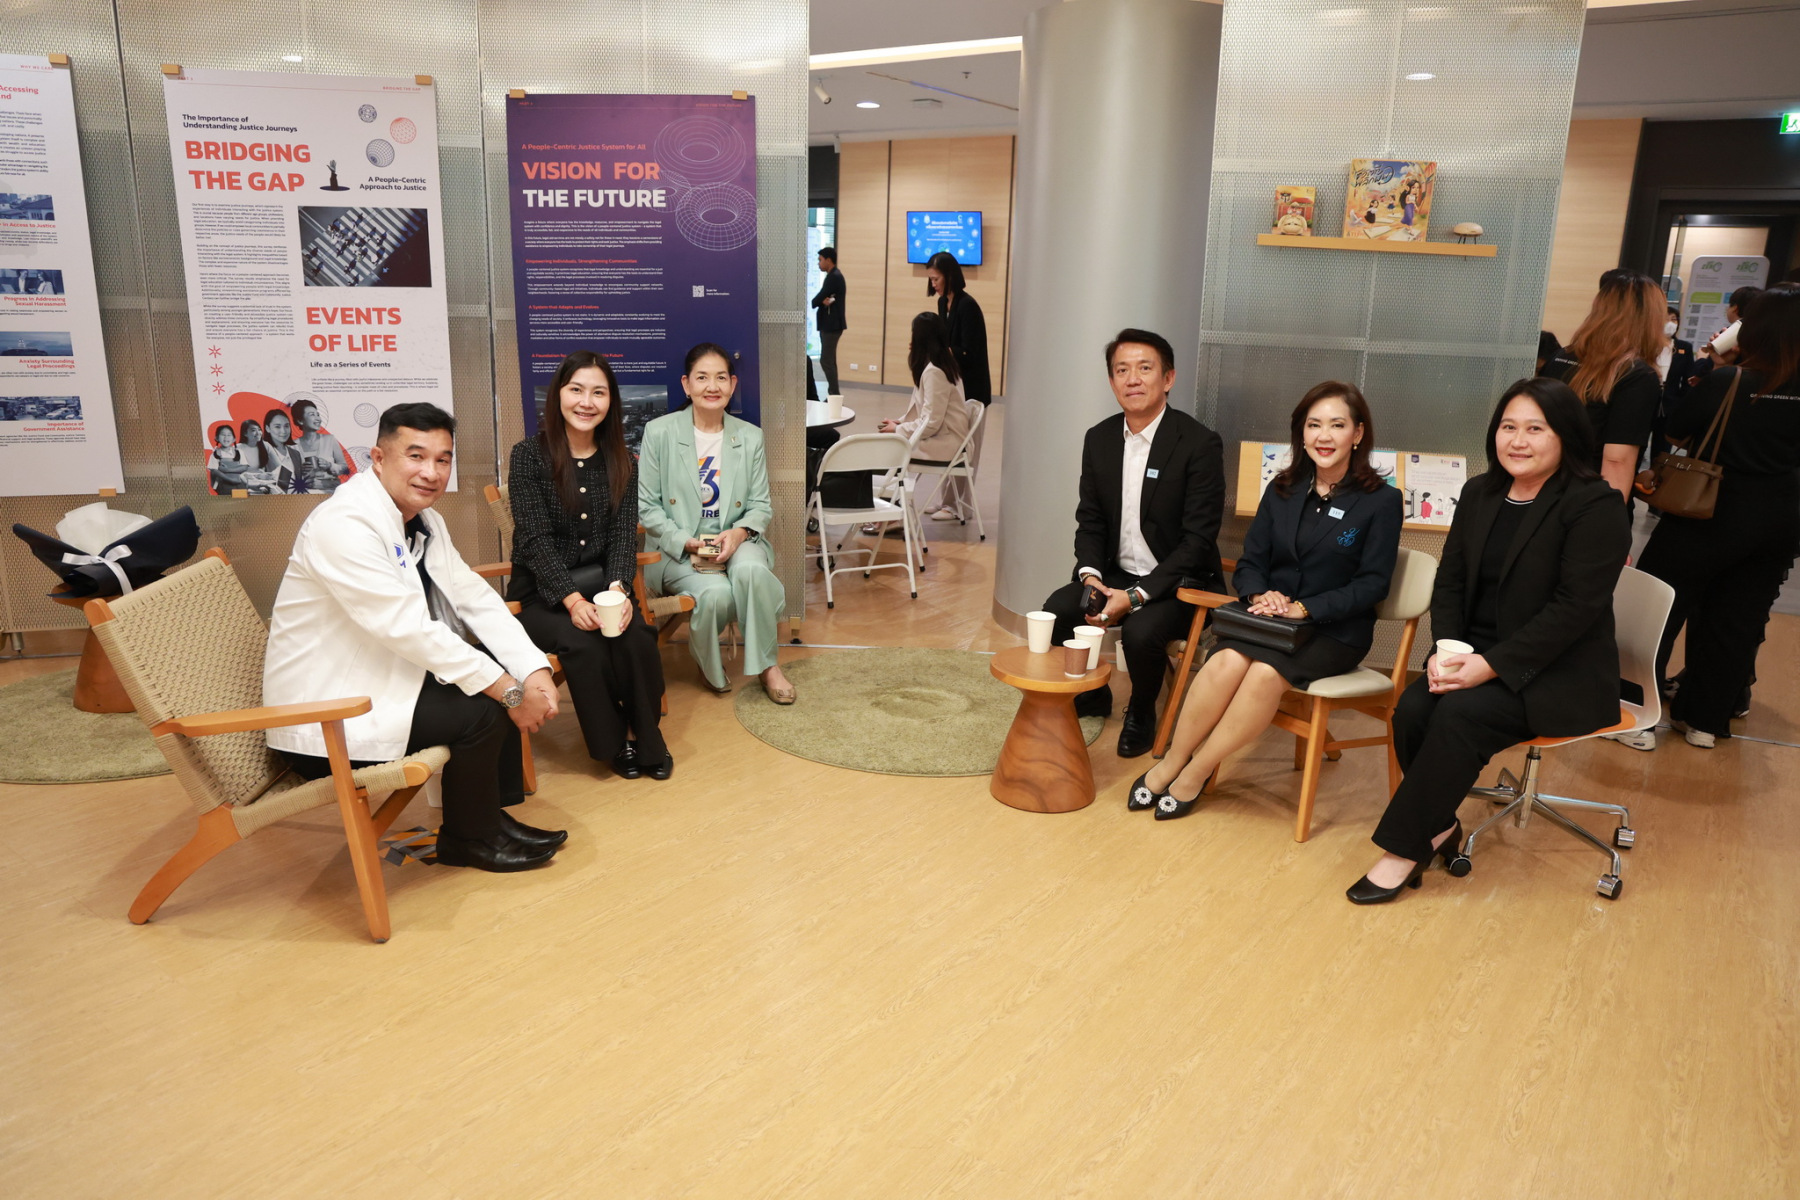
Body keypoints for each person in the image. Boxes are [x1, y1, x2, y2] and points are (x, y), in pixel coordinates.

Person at [1349, 378, 1628, 904]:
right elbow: (1451, 582)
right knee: (1412, 709)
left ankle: (1402, 852)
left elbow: (1574, 610)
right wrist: (1447, 651)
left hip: (1556, 670)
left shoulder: (1595, 505)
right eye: (1508, 427)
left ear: (1565, 435)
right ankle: (1438, 826)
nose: (1517, 441)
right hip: (1475, 657)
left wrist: (1491, 666)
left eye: (1535, 429)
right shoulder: (1481, 492)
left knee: (1460, 716)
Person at [264, 402, 567, 873]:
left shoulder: (423, 520)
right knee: (483, 708)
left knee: (489, 679)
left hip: (377, 682)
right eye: (416, 456)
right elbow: (406, 628)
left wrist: (532, 670)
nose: (431, 472)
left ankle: (485, 819)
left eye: (443, 459)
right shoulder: (343, 525)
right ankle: (471, 839)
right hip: (324, 719)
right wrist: (511, 692)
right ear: (378, 458)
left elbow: (473, 596)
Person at [1135, 382, 1402, 819]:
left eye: (1337, 425)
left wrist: (1305, 607)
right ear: (1301, 433)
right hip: (1270, 619)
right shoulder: (1283, 488)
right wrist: (1262, 593)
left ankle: (1194, 773)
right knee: (1224, 661)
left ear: (1357, 434)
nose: (1324, 436)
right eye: (1314, 425)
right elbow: (1250, 563)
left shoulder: (1381, 501)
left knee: (1263, 674)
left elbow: (1372, 585)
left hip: (1334, 630)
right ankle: (1170, 763)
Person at [1042, 327, 1226, 758]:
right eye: (1121, 370)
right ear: (1111, 381)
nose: (1133, 379)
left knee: (1141, 631)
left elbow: (1197, 541)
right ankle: (1093, 695)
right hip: (1115, 574)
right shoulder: (1100, 438)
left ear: (1168, 378)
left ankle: (1142, 711)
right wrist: (1091, 576)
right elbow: (1090, 520)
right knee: (1059, 609)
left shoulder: (1198, 444)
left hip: (1179, 582)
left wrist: (1137, 596)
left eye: (1145, 368)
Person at [1635, 284, 1800, 748]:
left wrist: (1718, 368)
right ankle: (1705, 723)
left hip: (1710, 509)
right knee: (1737, 620)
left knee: (1660, 606)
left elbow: (1677, 431)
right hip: (1781, 518)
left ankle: (1639, 717)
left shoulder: (1729, 381)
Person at [508, 350, 672, 780]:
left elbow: (622, 537)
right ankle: (613, 744)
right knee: (584, 644)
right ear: (559, 395)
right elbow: (534, 540)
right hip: (541, 596)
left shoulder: (623, 461)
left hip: (602, 587)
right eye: (576, 390)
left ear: (610, 401)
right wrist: (573, 600)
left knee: (636, 636)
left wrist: (618, 589)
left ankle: (648, 738)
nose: (586, 402)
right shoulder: (528, 456)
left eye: (598, 393)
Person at [639, 343, 795, 703]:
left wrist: (738, 534)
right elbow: (647, 507)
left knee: (752, 572)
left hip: (736, 540)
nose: (712, 386)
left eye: (721, 378)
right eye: (702, 378)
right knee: (716, 594)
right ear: (686, 385)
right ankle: (708, 663)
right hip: (678, 548)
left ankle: (768, 665)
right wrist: (686, 541)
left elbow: (760, 505)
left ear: (733, 384)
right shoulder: (659, 433)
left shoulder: (750, 436)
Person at [1538, 268, 1666, 501]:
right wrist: (1608, 515)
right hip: (1587, 499)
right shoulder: (1636, 375)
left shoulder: (1561, 357)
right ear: (1649, 318)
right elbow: (1617, 460)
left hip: (1543, 488)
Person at [925, 251, 991, 521]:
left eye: (936, 279)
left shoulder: (967, 306)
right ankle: (946, 501)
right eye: (931, 279)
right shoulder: (943, 303)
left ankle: (959, 505)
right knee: (950, 445)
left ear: (949, 276)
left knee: (967, 449)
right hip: (954, 385)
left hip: (972, 388)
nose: (933, 284)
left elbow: (969, 351)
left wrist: (941, 352)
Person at [880, 311, 973, 467]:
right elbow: (926, 413)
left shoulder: (934, 372)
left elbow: (931, 423)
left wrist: (898, 429)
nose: (910, 342)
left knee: (881, 451)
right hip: (945, 438)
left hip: (946, 445)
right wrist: (900, 423)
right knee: (883, 446)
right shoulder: (943, 364)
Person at [290, 396, 351, 494]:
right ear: (300, 421)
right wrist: (300, 471)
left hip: (330, 494)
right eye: (312, 415)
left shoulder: (330, 440)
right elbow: (288, 479)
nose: (318, 418)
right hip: (303, 497)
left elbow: (345, 468)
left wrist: (329, 465)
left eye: (317, 414)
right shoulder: (292, 446)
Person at [810, 247, 846, 395]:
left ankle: (834, 394)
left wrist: (818, 301)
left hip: (831, 326)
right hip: (831, 325)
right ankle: (833, 394)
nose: (819, 263)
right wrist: (821, 301)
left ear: (828, 260)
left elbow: (817, 299)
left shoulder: (834, 277)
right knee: (830, 361)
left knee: (826, 360)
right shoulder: (834, 276)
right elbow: (822, 298)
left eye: (820, 260)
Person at [261, 407, 300, 493]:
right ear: (267, 428)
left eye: (286, 426)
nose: (283, 431)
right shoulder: (262, 452)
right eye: (277, 427)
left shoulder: (295, 454)